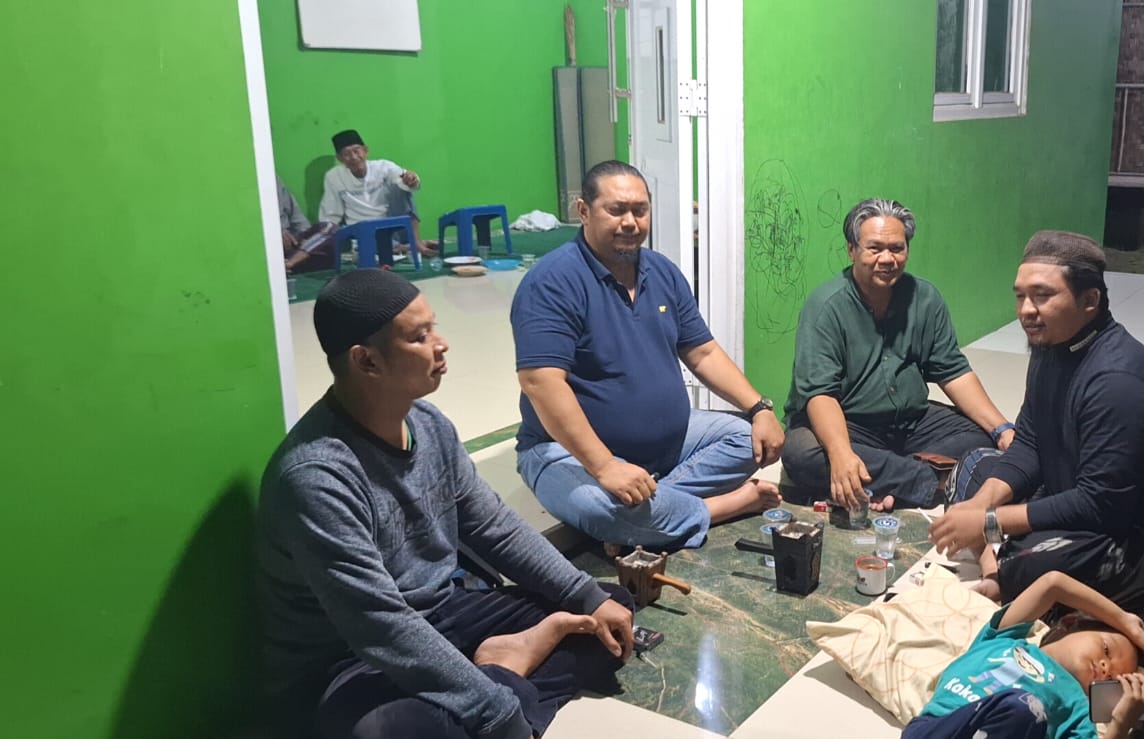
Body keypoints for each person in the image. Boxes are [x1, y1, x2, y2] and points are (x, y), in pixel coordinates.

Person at [257, 269, 635, 739]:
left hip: (448, 615)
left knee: (609, 613)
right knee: (389, 733)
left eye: (433, 327)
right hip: (354, 662)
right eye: (420, 336)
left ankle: (499, 675)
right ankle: (506, 670)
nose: (442, 344)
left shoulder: (429, 424)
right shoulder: (317, 476)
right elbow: (380, 626)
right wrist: (497, 711)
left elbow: (495, 528)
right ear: (367, 360)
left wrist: (587, 597)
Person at [930, 231, 1144, 614]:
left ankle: (1002, 571)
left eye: (1042, 295)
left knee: (1040, 562)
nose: (1026, 310)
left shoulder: (1118, 381)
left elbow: (1101, 505)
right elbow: (1029, 441)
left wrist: (989, 523)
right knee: (972, 466)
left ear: (1090, 301)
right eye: (1020, 296)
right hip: (1080, 495)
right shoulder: (1050, 345)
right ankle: (999, 567)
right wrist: (982, 506)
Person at [513, 160, 784, 550]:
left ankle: (644, 514)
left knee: (748, 440)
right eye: (616, 210)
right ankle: (719, 507)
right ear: (584, 211)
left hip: (667, 444)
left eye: (640, 210)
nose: (630, 222)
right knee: (599, 508)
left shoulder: (662, 272)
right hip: (566, 451)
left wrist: (759, 408)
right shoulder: (552, 282)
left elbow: (703, 351)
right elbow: (541, 382)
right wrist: (605, 465)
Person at [781, 198, 1015, 513]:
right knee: (801, 453)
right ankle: (935, 481)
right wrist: (840, 453)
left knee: (979, 434)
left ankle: (885, 481)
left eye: (897, 248)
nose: (887, 259)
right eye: (875, 248)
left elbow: (953, 371)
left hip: (910, 421)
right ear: (851, 250)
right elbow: (820, 394)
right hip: (849, 423)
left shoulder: (925, 298)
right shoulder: (826, 306)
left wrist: (1001, 429)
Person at [904, 567, 1144, 739]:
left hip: (1018, 719)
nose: (1104, 666)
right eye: (1106, 650)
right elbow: (1053, 583)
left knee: (1026, 709)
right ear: (1070, 623)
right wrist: (1122, 618)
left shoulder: (1077, 710)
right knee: (1022, 707)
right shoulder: (1005, 639)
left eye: (1111, 678)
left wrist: (1121, 723)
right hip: (939, 728)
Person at [318, 129, 439, 258]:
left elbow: (408, 181)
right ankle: (405, 247)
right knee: (371, 246)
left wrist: (411, 180)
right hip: (362, 229)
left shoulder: (383, 167)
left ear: (365, 151)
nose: (353, 157)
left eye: (356, 151)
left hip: (391, 225)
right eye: (347, 154)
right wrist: (326, 235)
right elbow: (330, 214)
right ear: (340, 158)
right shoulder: (334, 177)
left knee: (403, 187)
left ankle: (416, 242)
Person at [277, 175, 337, 272]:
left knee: (329, 227)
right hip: (270, 243)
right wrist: (276, 231)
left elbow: (295, 215)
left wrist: (307, 240)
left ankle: (290, 263)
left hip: (293, 241)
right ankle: (287, 265)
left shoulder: (274, 179)